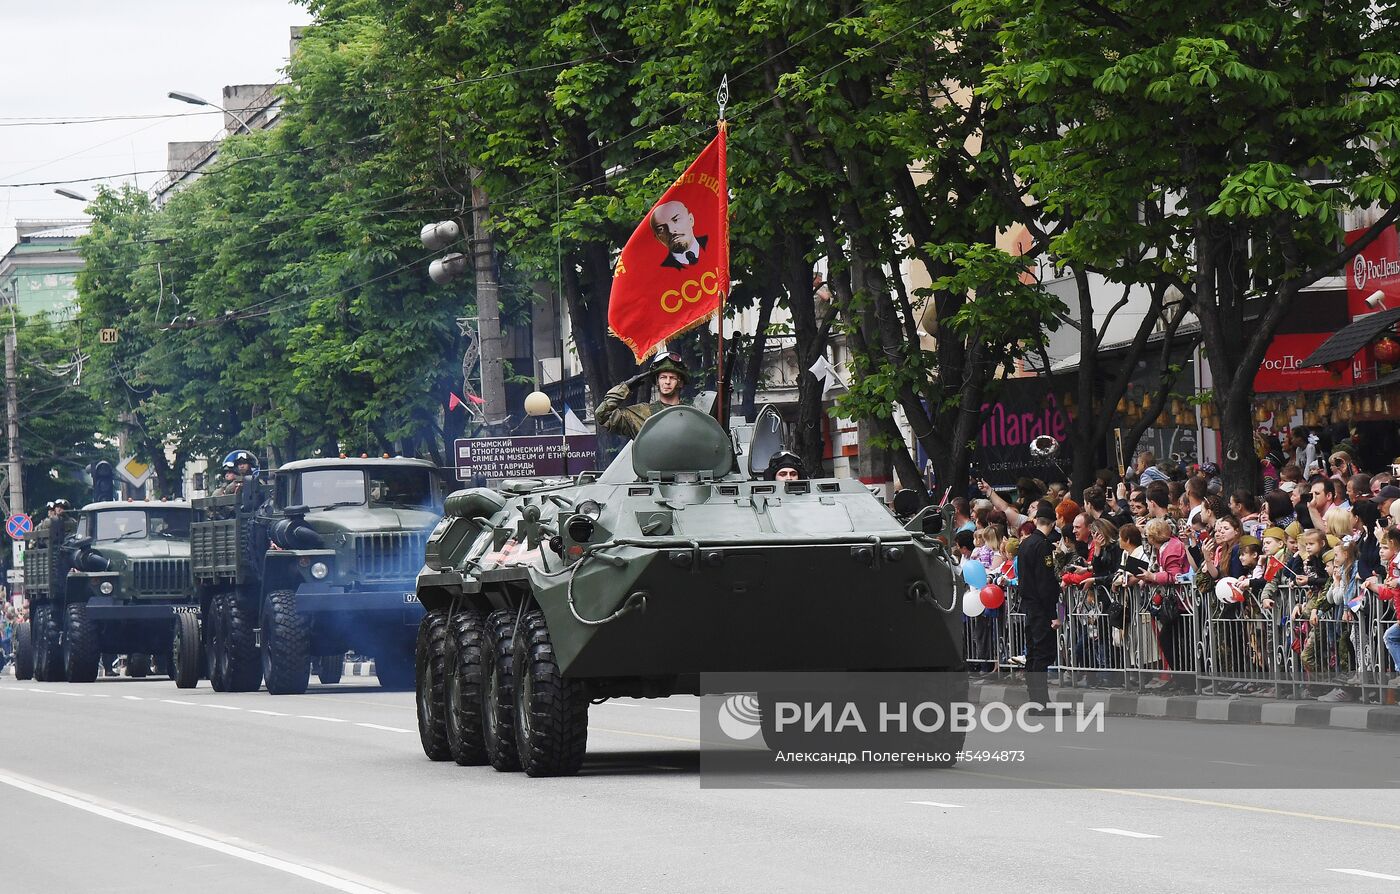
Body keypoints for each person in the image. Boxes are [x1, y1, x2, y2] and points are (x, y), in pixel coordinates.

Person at [1017, 501, 1061, 710]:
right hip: (1040, 608)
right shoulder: (1042, 545)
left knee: (1033, 653)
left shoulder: (1025, 543)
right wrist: (1052, 612)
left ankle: (1034, 699)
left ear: (1036, 521)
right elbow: (1045, 582)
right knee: (1042, 654)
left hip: (1029, 605)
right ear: (1052, 524)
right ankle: (1040, 701)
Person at [594, 353, 690, 439]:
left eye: (672, 378)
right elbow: (602, 415)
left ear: (680, 383)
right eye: (663, 377)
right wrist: (625, 387)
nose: (667, 382)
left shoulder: (691, 415)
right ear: (657, 381)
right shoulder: (640, 414)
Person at [650, 201, 709, 269]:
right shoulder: (659, 271)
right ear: (657, 238)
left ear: (691, 220)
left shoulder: (719, 241)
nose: (671, 230)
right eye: (661, 229)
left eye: (676, 220)